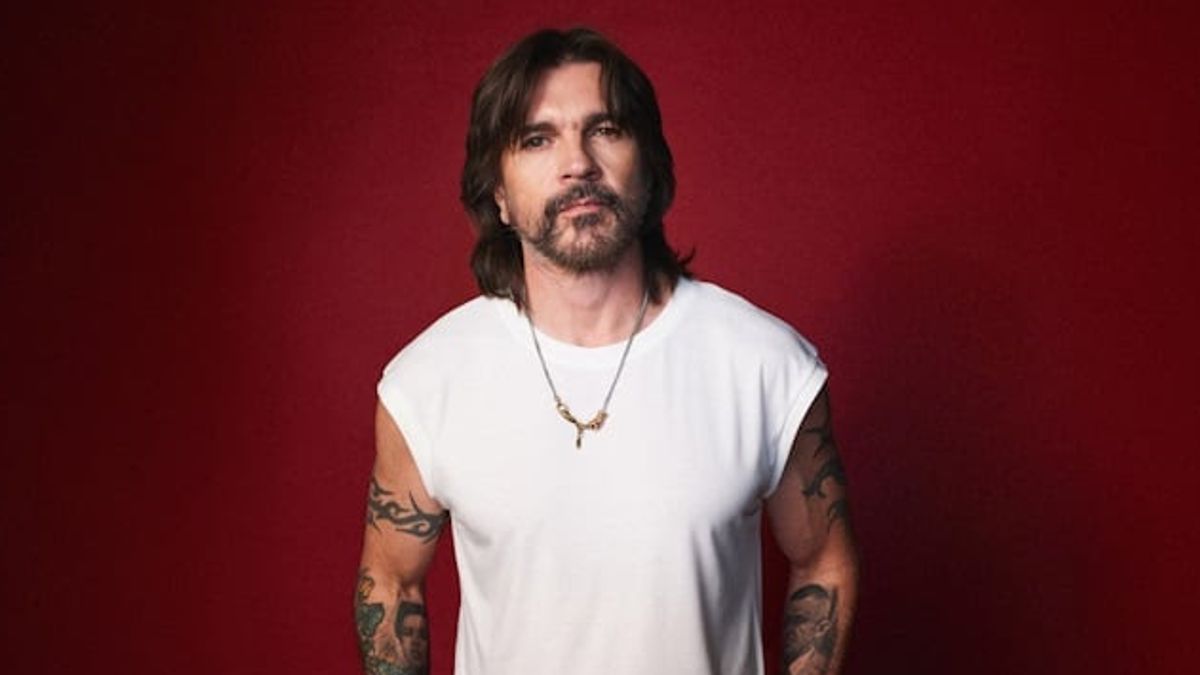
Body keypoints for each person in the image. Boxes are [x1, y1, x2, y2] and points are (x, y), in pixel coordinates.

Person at [356, 27, 859, 675]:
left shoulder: (766, 365)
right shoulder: (426, 383)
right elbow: (390, 581)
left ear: (648, 168)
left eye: (606, 130)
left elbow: (824, 559)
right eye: (536, 139)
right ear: (498, 194)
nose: (578, 163)